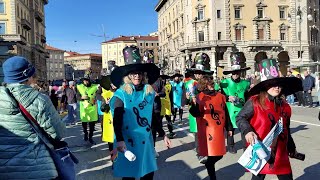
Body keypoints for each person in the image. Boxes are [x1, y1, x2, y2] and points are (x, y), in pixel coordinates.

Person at [109, 46, 171, 179]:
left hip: (146, 141)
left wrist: (163, 133)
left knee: (148, 174)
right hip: (128, 141)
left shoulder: (148, 92)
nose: (137, 76)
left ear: (144, 75)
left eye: (139, 73)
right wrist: (119, 140)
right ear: (128, 76)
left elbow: (152, 117)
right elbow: (117, 119)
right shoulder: (121, 94)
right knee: (129, 175)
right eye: (133, 73)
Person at [236, 59, 303, 180]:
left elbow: (286, 129)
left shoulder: (285, 106)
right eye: (273, 84)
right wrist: (247, 131)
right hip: (261, 150)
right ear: (266, 85)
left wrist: (292, 148)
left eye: (279, 84)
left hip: (281, 152)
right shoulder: (255, 101)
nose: (277, 87)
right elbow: (240, 118)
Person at [0, 56, 65, 179]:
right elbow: (58, 133)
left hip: (4, 170)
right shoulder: (39, 99)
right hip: (38, 168)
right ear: (28, 76)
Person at [189, 75, 233, 180]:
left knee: (219, 153)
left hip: (218, 129)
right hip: (206, 130)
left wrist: (229, 127)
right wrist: (194, 104)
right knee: (211, 153)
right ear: (204, 86)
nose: (212, 85)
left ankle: (209, 164)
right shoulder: (199, 97)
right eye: (210, 84)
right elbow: (196, 113)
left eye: (212, 83)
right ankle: (212, 176)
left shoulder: (221, 96)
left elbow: (225, 112)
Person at [185, 53, 214, 163]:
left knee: (207, 132)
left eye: (200, 73)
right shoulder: (190, 84)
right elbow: (186, 101)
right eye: (196, 73)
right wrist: (188, 99)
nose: (198, 75)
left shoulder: (208, 83)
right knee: (198, 134)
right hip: (196, 112)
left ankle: (208, 150)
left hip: (207, 112)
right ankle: (200, 153)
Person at [220, 52, 251, 154]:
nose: (236, 74)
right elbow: (218, 96)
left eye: (237, 72)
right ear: (231, 73)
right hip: (229, 109)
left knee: (244, 126)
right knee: (230, 129)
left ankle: (245, 146)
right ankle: (231, 145)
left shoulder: (245, 83)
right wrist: (228, 97)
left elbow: (248, 96)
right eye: (234, 72)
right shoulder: (225, 83)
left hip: (242, 109)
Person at [77, 73, 99, 144]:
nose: (85, 82)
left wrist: (95, 98)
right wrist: (81, 98)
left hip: (92, 108)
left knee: (92, 124)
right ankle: (85, 133)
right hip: (84, 108)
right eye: (84, 80)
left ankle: (90, 137)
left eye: (87, 80)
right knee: (84, 123)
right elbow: (77, 96)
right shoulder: (79, 87)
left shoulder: (95, 87)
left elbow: (99, 94)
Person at [160, 74, 176, 139]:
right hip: (160, 105)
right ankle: (161, 132)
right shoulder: (158, 86)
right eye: (162, 79)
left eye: (164, 79)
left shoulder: (169, 86)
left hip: (167, 105)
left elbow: (171, 96)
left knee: (169, 119)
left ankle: (171, 132)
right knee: (159, 120)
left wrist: (172, 106)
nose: (163, 80)